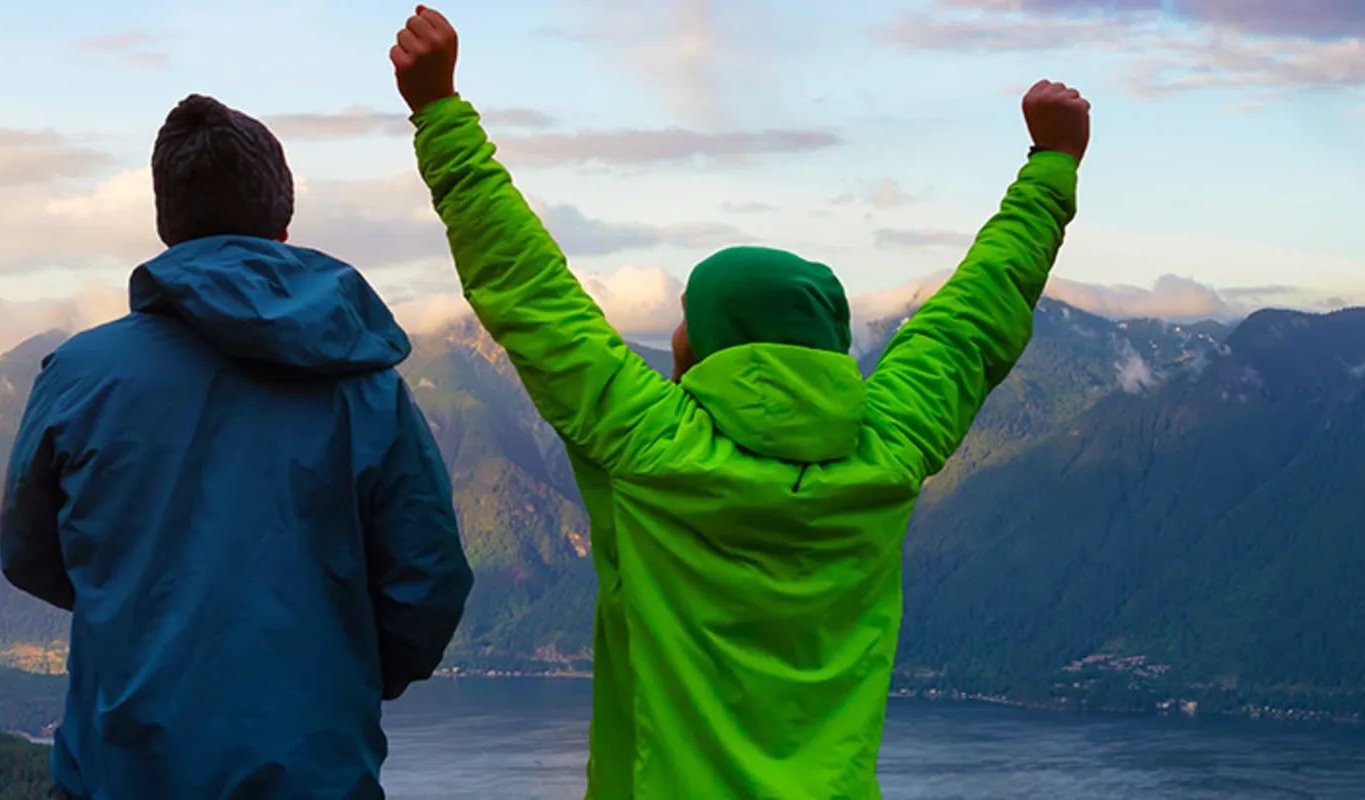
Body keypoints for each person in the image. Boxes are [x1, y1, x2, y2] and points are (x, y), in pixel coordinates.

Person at [386, 6, 1090, 798]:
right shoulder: (889, 451)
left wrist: (440, 113)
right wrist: (1051, 165)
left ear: (703, 345)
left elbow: (532, 294)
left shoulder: (649, 447)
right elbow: (972, 321)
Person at [0, 93, 477, 800]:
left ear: (165, 222)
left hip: (118, 775)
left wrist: (139, 603)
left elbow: (29, 555)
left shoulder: (78, 376)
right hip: (315, 773)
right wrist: (342, 666)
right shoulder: (363, 385)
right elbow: (427, 580)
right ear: (282, 219)